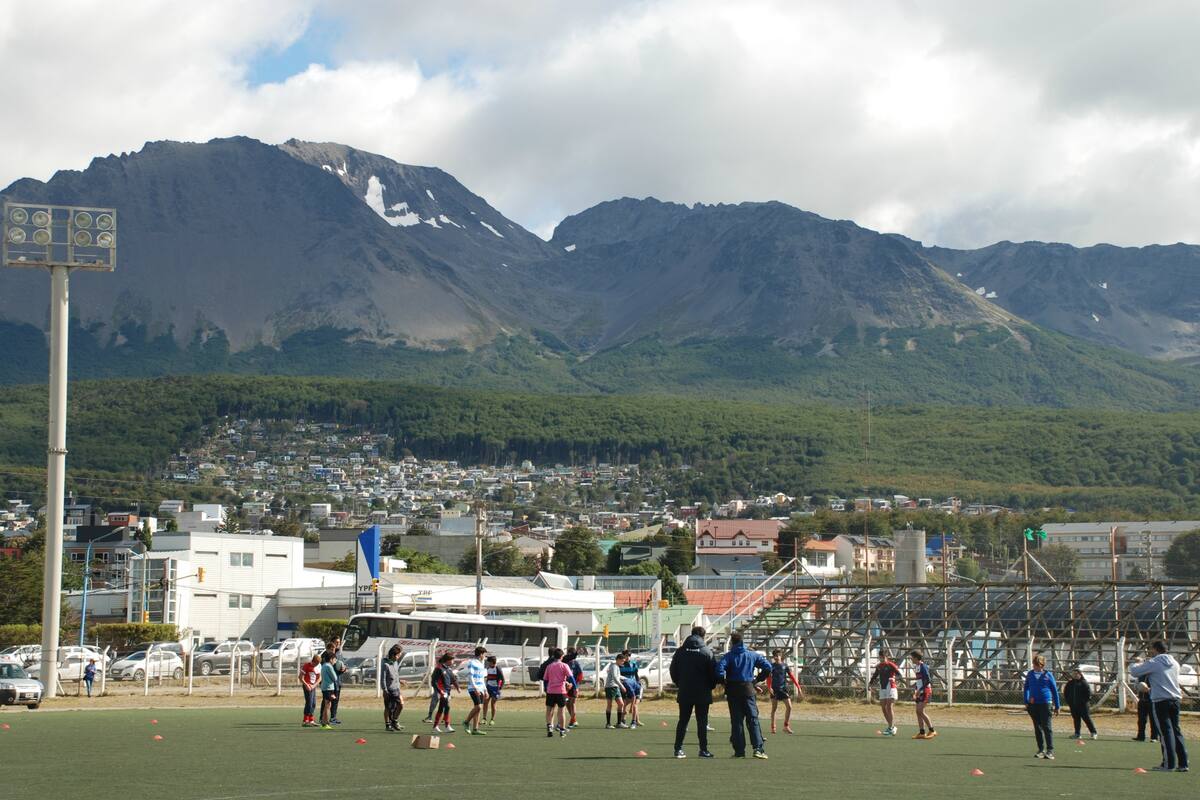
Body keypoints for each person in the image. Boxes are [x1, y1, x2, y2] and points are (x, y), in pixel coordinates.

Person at [1130, 640, 1189, 773]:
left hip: (1161, 701)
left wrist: (1137, 662)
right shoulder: (1174, 663)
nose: (1150, 651)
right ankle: (1183, 763)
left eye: (1151, 649)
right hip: (1175, 700)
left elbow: (1134, 672)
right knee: (1176, 731)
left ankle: (1168, 764)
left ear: (1155, 649)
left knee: (1165, 732)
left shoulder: (1155, 662)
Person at [716, 631, 771, 760]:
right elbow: (768, 667)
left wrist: (723, 682)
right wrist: (756, 680)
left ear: (732, 643)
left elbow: (719, 670)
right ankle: (758, 748)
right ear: (742, 641)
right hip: (748, 689)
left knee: (736, 721)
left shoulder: (728, 656)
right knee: (753, 719)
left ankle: (739, 751)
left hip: (733, 691)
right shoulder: (752, 655)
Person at [669, 626, 717, 759]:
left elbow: (673, 670)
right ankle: (703, 750)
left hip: (685, 691)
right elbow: (713, 672)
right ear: (703, 636)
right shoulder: (706, 652)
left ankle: (678, 749)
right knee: (702, 722)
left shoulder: (680, 651)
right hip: (703, 692)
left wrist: (680, 683)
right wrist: (711, 686)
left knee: (683, 721)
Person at [1023, 654, 1060, 759]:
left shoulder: (1048, 675)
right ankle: (1041, 750)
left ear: (1042, 665)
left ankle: (1050, 750)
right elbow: (1026, 688)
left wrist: (1057, 706)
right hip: (1033, 705)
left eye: (1037, 664)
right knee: (1037, 728)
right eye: (1034, 664)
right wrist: (1026, 701)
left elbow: (1054, 691)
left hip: (1046, 704)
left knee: (1047, 727)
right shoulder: (1030, 674)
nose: (1035, 666)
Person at [767, 649, 803, 734]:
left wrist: (798, 687)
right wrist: (769, 687)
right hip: (774, 689)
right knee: (774, 708)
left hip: (783, 689)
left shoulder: (785, 666)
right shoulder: (771, 666)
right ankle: (773, 727)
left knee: (789, 707)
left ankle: (786, 726)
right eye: (774, 656)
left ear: (781, 656)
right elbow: (768, 678)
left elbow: (792, 677)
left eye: (777, 656)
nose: (776, 657)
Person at [869, 651, 902, 736]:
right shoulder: (879, 666)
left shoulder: (891, 665)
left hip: (890, 687)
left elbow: (899, 675)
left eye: (883, 657)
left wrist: (895, 679)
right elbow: (875, 675)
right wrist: (870, 684)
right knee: (883, 708)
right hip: (882, 688)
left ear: (886, 657)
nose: (882, 659)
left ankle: (891, 728)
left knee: (889, 707)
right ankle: (891, 726)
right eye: (880, 657)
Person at [542, 648, 572, 738]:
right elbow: (571, 677)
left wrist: (546, 689)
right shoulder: (564, 665)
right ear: (562, 656)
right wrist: (573, 686)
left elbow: (545, 679)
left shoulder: (549, 666)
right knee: (561, 711)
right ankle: (562, 731)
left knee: (549, 710)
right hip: (561, 692)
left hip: (550, 691)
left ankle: (549, 727)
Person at [1062, 668, 1097, 739]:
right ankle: (1077, 734)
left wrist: (1084, 702)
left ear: (1080, 674)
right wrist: (1069, 701)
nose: (1074, 675)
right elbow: (1066, 693)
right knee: (1076, 719)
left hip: (1083, 706)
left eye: (1076, 674)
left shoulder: (1084, 683)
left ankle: (1093, 732)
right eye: (1073, 674)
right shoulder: (1070, 683)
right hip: (1073, 705)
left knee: (1086, 719)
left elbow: (1088, 694)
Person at [910, 650, 936, 739]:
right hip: (920, 691)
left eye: (912, 657)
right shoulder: (917, 667)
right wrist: (916, 691)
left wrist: (920, 690)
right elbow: (919, 681)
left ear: (916, 658)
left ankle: (932, 730)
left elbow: (928, 680)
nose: (911, 659)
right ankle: (922, 732)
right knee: (918, 711)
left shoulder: (923, 666)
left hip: (925, 691)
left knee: (920, 711)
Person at [463, 646, 489, 735]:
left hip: (481, 688)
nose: (485, 656)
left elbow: (482, 679)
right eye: (484, 654)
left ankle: (475, 729)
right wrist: (475, 688)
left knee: (478, 709)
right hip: (473, 688)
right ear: (481, 654)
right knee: (478, 707)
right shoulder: (472, 662)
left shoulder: (481, 664)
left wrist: (485, 690)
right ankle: (466, 722)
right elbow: (470, 676)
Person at [431, 653, 458, 733]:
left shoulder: (448, 669)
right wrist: (440, 691)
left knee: (442, 708)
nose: (453, 661)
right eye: (452, 660)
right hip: (442, 691)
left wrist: (458, 687)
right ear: (448, 660)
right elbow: (433, 682)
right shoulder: (439, 668)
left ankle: (436, 726)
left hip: (447, 692)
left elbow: (453, 679)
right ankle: (447, 726)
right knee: (447, 707)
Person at [381, 644, 405, 732]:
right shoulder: (385, 664)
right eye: (399, 655)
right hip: (389, 690)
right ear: (394, 655)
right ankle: (388, 724)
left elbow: (395, 675)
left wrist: (400, 680)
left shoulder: (395, 663)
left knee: (400, 705)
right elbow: (383, 678)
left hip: (396, 689)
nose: (399, 656)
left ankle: (394, 721)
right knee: (388, 707)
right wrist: (384, 690)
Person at [602, 653, 628, 729]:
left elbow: (618, 676)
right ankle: (608, 724)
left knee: (621, 704)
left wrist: (627, 679)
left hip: (616, 687)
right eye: (622, 661)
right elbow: (615, 678)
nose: (623, 663)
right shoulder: (614, 666)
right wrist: (622, 686)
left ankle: (619, 723)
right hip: (610, 687)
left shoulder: (617, 667)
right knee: (610, 705)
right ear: (618, 660)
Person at [619, 650, 642, 728]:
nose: (628, 657)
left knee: (634, 704)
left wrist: (638, 683)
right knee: (624, 704)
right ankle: (623, 721)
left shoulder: (633, 664)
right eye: (626, 655)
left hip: (634, 686)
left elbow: (636, 675)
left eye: (629, 655)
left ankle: (634, 722)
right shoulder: (620, 665)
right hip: (625, 687)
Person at [327, 637, 347, 725]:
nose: (338, 644)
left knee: (336, 700)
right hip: (330, 682)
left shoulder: (339, 653)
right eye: (336, 642)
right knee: (327, 701)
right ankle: (323, 718)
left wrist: (344, 668)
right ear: (332, 642)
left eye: (339, 642)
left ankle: (333, 718)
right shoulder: (327, 654)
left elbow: (343, 664)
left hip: (338, 681)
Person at [1133, 678, 1159, 743]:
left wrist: (1149, 689)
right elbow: (1136, 687)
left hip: (1152, 701)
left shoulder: (1154, 676)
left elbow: (1158, 687)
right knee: (1141, 720)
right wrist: (1137, 687)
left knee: (1153, 719)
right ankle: (1140, 736)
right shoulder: (1140, 676)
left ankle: (1154, 737)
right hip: (1142, 700)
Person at [564, 648, 585, 728]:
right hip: (566, 686)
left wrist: (575, 685)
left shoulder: (575, 663)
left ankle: (572, 721)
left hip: (573, 686)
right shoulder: (565, 662)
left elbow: (580, 675)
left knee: (572, 703)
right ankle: (574, 720)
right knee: (567, 703)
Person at [299, 653, 320, 727]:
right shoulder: (306, 666)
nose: (317, 665)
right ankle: (305, 721)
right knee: (309, 703)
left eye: (318, 664)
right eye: (316, 663)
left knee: (313, 703)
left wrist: (314, 685)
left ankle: (311, 720)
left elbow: (319, 678)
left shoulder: (317, 667)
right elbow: (300, 677)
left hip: (313, 687)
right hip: (307, 686)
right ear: (313, 661)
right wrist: (306, 685)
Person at [318, 650, 339, 730]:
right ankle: (325, 723)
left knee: (326, 705)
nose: (335, 661)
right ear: (331, 659)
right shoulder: (329, 666)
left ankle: (323, 722)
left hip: (325, 687)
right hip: (328, 688)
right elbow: (335, 678)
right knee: (327, 705)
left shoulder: (324, 665)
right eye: (334, 659)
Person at [484, 655, 504, 726]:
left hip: (495, 689)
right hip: (488, 687)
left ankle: (492, 719)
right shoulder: (488, 668)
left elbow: (502, 679)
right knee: (485, 702)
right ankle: (484, 719)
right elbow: (487, 677)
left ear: (492, 662)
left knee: (493, 704)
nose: (487, 663)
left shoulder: (498, 668)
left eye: (488, 662)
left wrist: (499, 688)